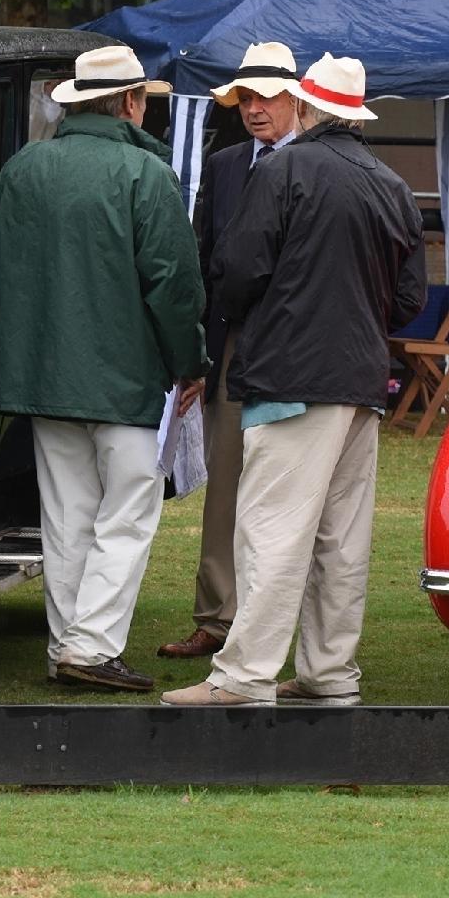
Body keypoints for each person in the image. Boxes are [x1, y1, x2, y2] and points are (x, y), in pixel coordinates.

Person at [162, 53, 425, 708]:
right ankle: (329, 673)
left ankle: (244, 676)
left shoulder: (283, 168)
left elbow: (239, 268)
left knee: (270, 530)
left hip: (289, 376)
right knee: (341, 539)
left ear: (304, 106)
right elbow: (410, 299)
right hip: (362, 382)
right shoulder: (390, 183)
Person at [0, 43, 207, 693]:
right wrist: (190, 362)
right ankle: (91, 646)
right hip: (125, 375)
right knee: (126, 514)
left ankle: (68, 645)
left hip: (44, 373)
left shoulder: (23, 168)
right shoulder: (144, 174)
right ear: (132, 103)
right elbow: (173, 284)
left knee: (67, 516)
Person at [158, 41, 303, 662]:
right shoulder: (222, 166)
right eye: (246, 96)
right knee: (224, 489)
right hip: (231, 343)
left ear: (296, 98)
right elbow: (203, 261)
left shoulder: (316, 164)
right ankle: (217, 619)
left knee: (287, 491)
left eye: (266, 94)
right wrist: (198, 354)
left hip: (295, 345)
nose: (254, 107)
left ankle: (269, 625)